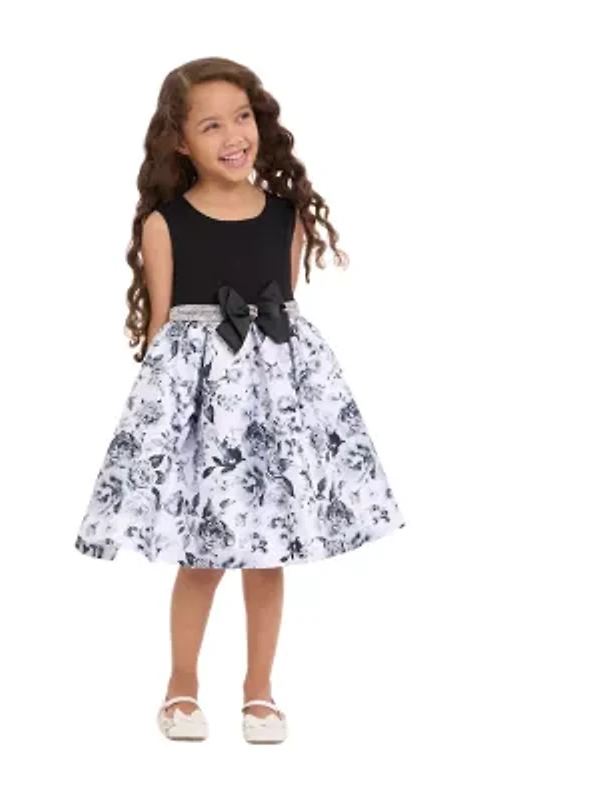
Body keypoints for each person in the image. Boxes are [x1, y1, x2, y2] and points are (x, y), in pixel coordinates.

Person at [75, 56, 406, 743]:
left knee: (267, 554)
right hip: (204, 408)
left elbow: (282, 316)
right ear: (179, 141)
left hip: (276, 405)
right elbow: (163, 332)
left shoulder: (286, 218)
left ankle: (260, 691)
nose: (234, 136)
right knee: (202, 556)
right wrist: (163, 434)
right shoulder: (165, 223)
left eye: (243, 117)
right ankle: (181, 686)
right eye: (211, 125)